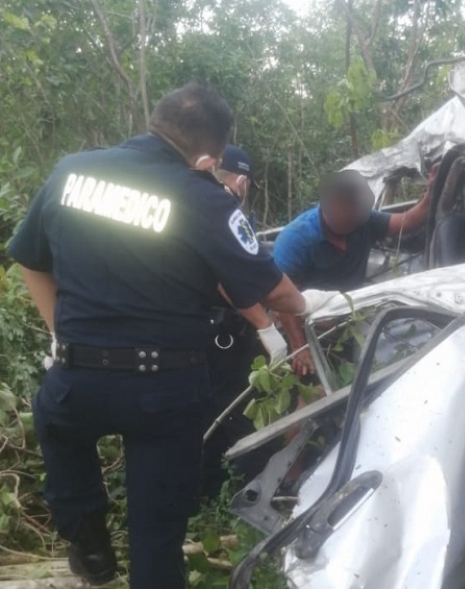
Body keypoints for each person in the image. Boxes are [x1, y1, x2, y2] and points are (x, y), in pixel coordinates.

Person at [8, 83, 335, 588]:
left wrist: (61, 337)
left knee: (59, 431)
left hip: (77, 377)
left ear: (154, 122)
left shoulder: (71, 171)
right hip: (164, 391)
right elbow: (280, 294)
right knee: (158, 535)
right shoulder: (203, 196)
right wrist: (309, 304)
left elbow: (29, 261)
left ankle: (90, 545)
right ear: (211, 155)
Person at [272, 166, 437, 375]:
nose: (354, 218)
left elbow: (406, 222)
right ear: (327, 208)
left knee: (348, 374)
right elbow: (281, 302)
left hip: (345, 320)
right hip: (304, 326)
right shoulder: (297, 239)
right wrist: (300, 347)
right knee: (311, 385)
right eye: (347, 213)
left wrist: (430, 194)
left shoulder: (363, 220)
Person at [201, 144, 285, 497]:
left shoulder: (192, 205)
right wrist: (267, 325)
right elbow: (229, 279)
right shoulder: (220, 212)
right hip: (222, 337)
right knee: (244, 413)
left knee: (208, 416)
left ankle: (208, 496)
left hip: (194, 337)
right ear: (241, 180)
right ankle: (253, 494)